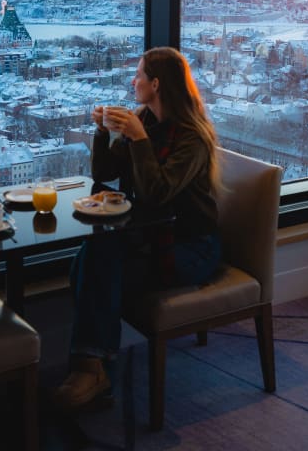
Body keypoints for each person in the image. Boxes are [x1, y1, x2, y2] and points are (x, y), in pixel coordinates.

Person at [53, 46, 222, 411]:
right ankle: (94, 365)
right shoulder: (145, 120)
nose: (134, 81)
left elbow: (157, 193)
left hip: (192, 247)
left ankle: (92, 368)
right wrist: (102, 132)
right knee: (89, 258)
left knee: (95, 263)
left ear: (156, 84)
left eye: (139, 75)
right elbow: (104, 175)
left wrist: (139, 139)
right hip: (153, 237)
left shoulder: (192, 138)